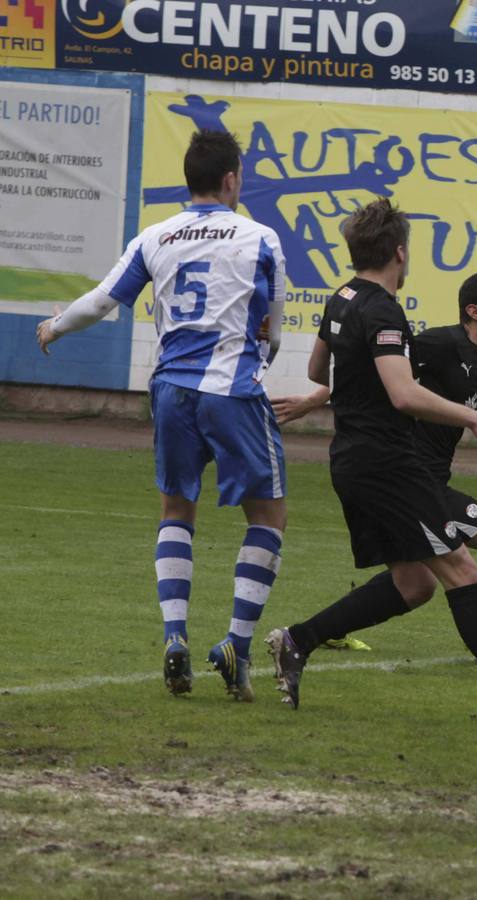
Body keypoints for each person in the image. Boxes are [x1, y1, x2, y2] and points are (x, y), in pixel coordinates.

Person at [263, 199, 477, 727]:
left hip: (353, 459)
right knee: (460, 568)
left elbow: (320, 367)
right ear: (400, 252)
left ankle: (297, 640)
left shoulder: (340, 297)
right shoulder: (383, 308)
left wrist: (339, 395)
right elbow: (404, 395)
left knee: (415, 584)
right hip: (389, 463)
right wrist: (473, 420)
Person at [35, 129, 287, 702]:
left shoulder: (158, 235)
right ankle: (236, 646)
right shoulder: (261, 237)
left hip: (171, 391)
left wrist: (54, 326)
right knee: (268, 516)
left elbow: (102, 300)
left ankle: (174, 636)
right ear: (230, 180)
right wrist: (258, 360)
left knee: (177, 508)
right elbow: (273, 327)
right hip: (232, 390)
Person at [273, 270, 477, 667]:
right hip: (408, 477)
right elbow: (373, 372)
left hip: (425, 480)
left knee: (414, 581)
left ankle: (319, 632)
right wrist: (316, 399)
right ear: (474, 312)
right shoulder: (436, 344)